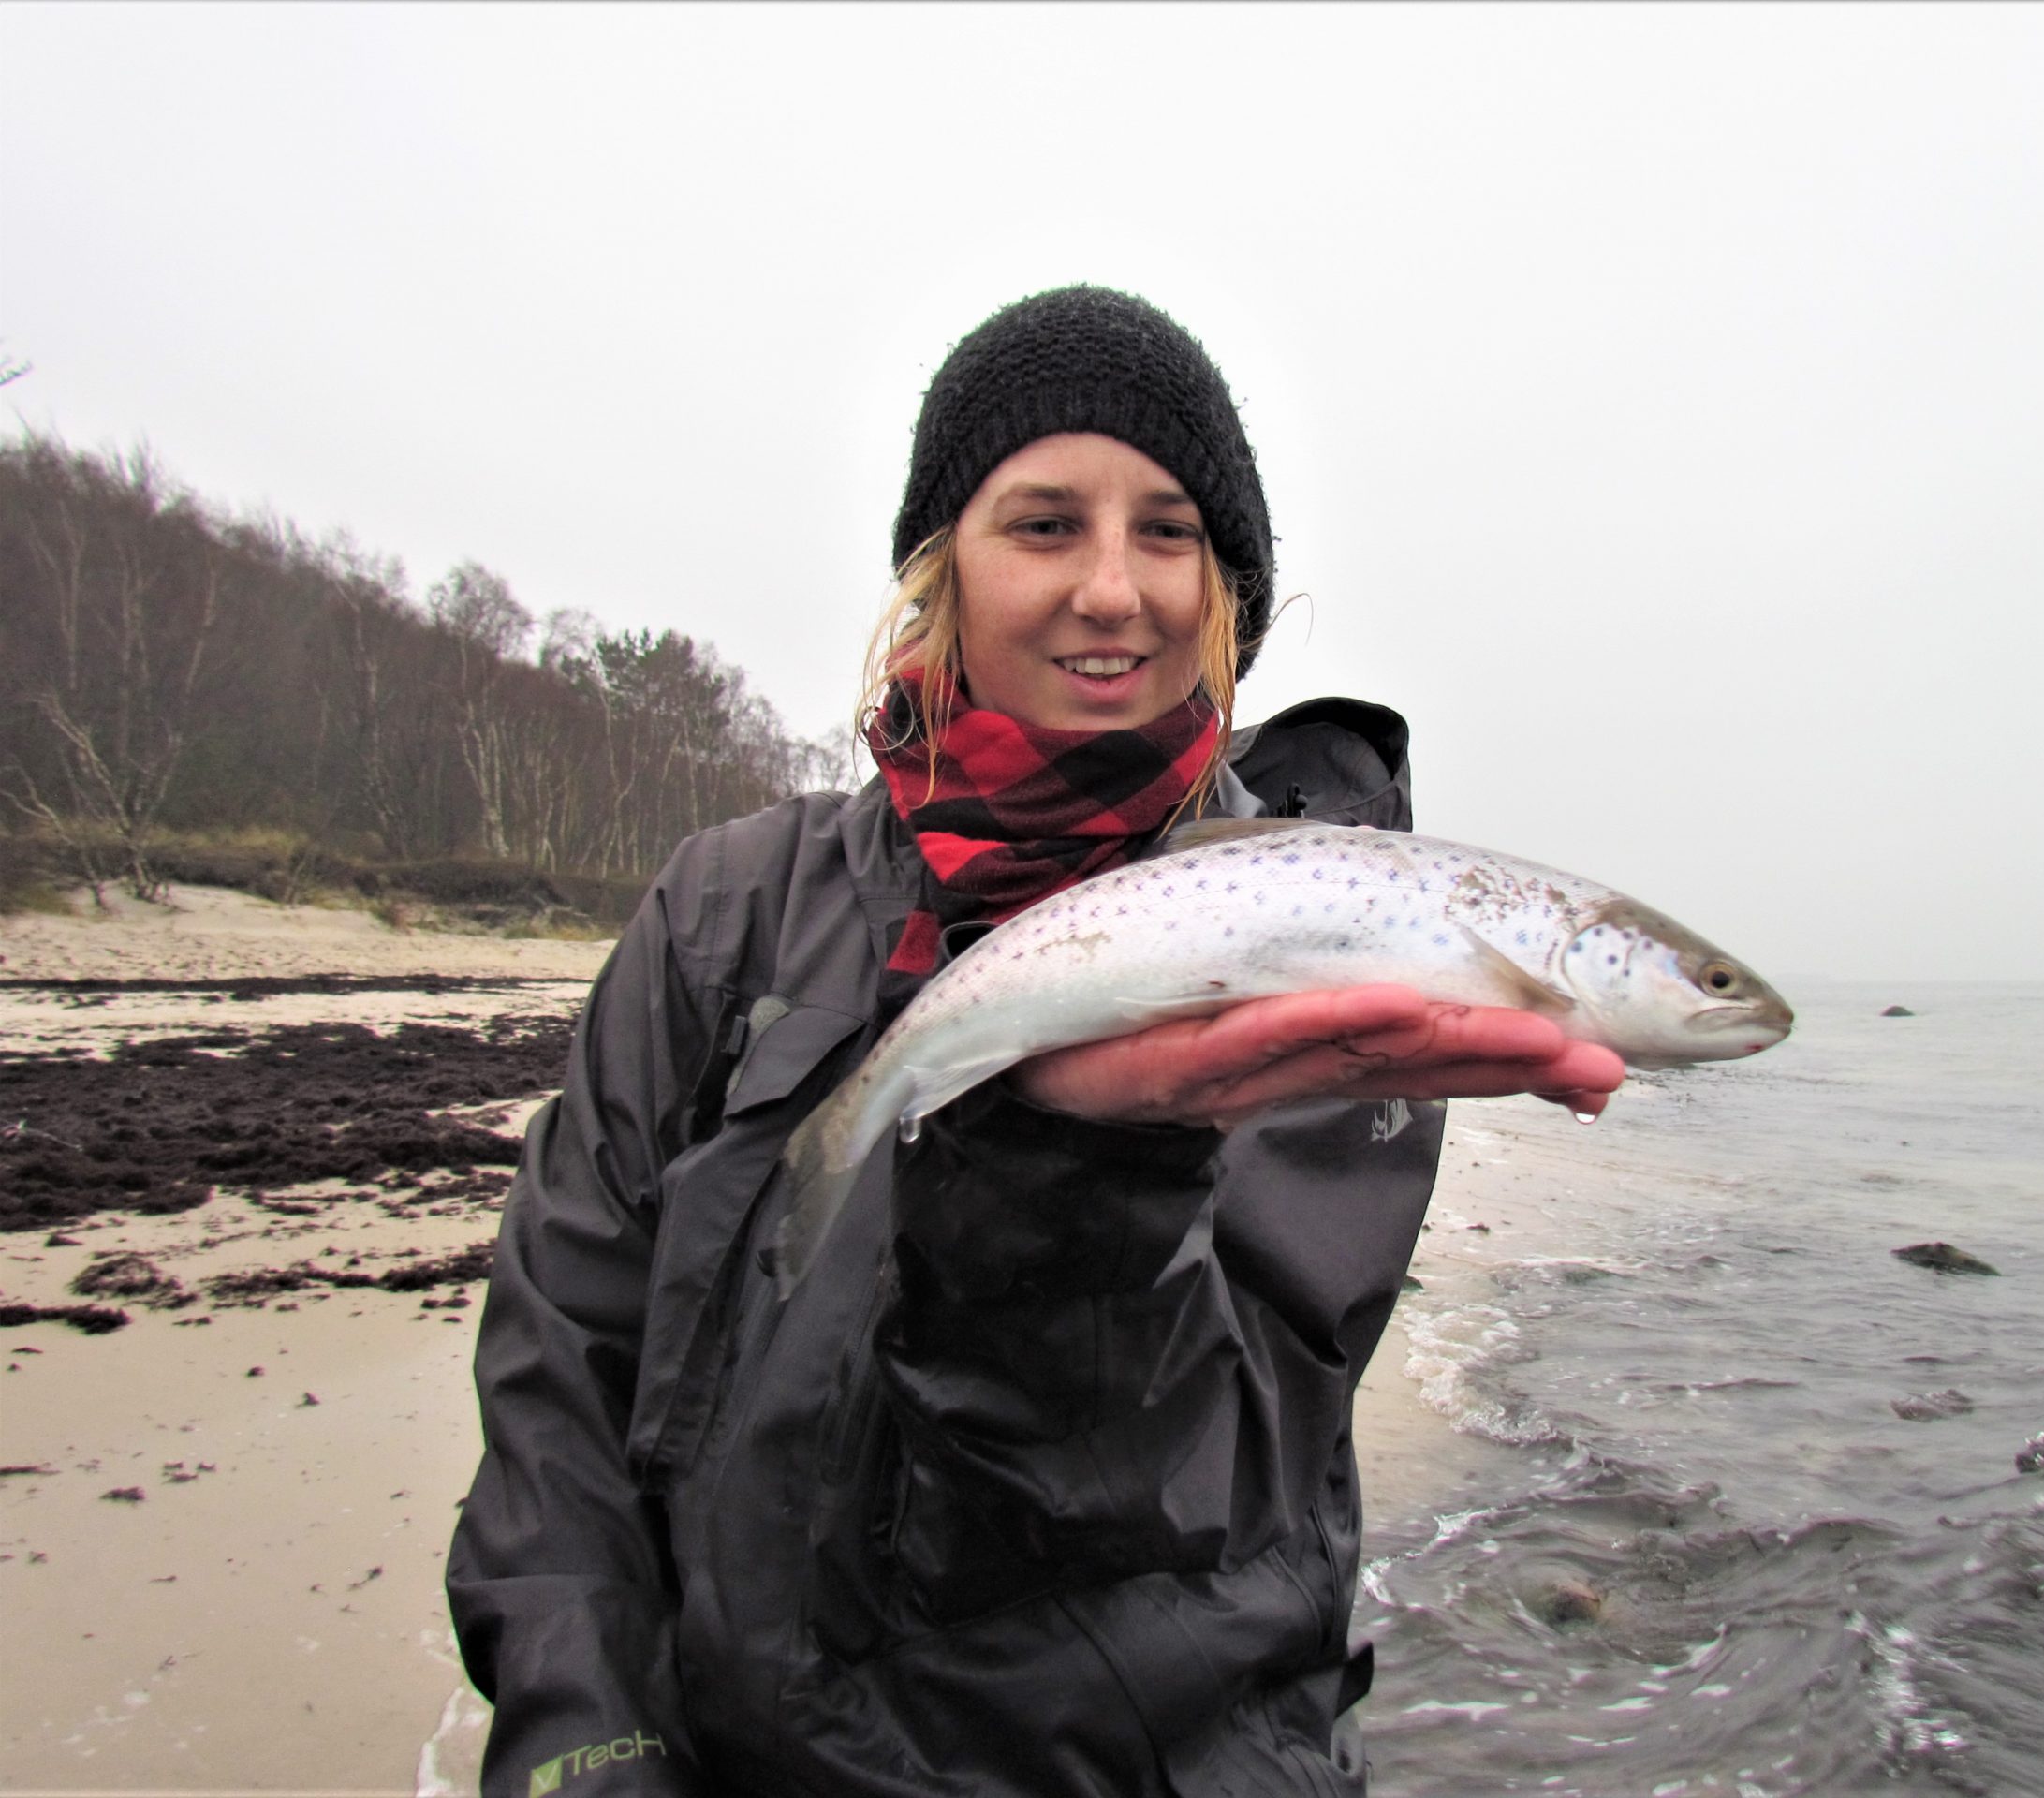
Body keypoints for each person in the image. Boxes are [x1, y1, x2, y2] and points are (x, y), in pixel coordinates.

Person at [447, 286, 1625, 1796]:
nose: (1115, 590)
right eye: (1046, 523)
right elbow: (565, 1355)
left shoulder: (1334, 947)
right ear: (942, 568)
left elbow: (1225, 1480)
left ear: (1231, 595)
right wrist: (583, 1741)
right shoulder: (725, 909)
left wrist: (1073, 1176)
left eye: (1171, 531)